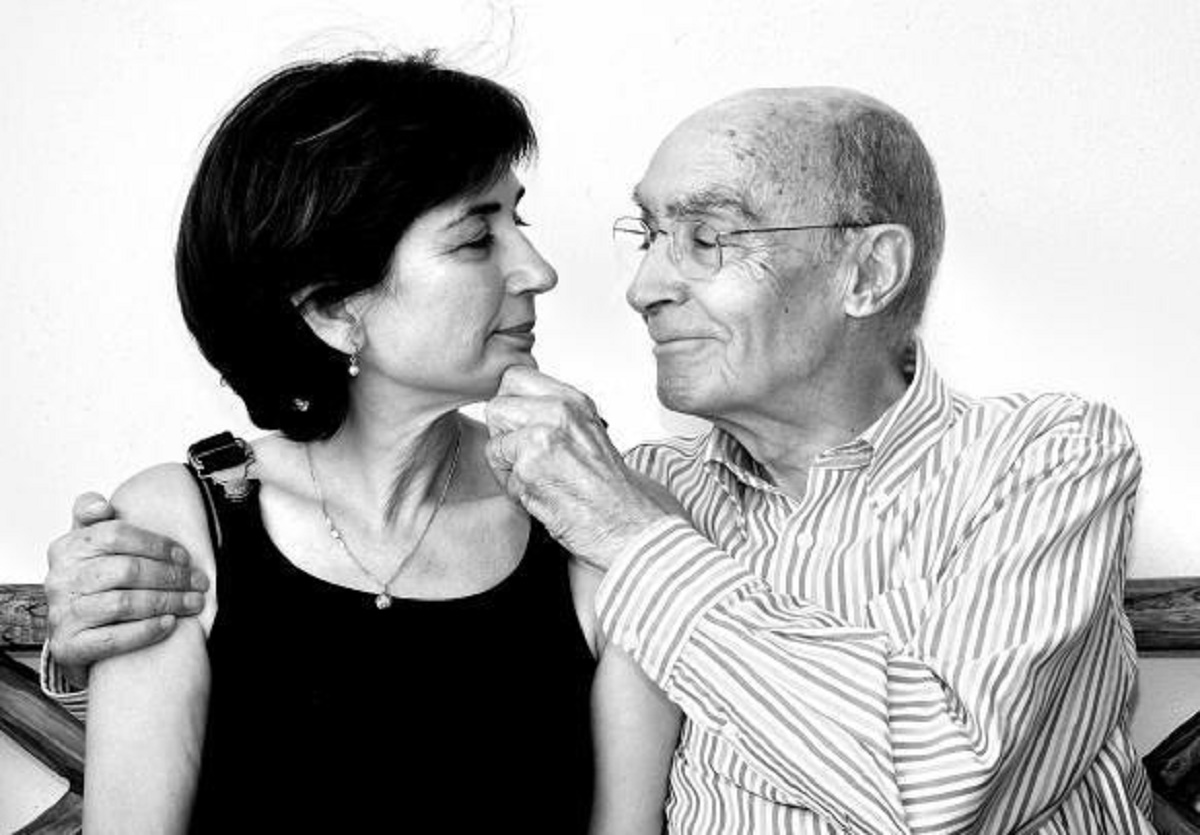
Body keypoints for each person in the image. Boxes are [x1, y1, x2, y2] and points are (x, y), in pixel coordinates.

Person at [45, 85, 1153, 833]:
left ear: (868, 272)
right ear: (334, 307)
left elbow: (939, 789)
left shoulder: (1043, 458)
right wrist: (86, 631)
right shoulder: (651, 494)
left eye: (707, 239)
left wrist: (629, 530)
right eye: (650, 235)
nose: (636, 286)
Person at [49, 53, 679, 834]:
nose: (539, 271)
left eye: (517, 223)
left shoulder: (594, 523)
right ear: (332, 308)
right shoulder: (179, 523)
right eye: (475, 239)